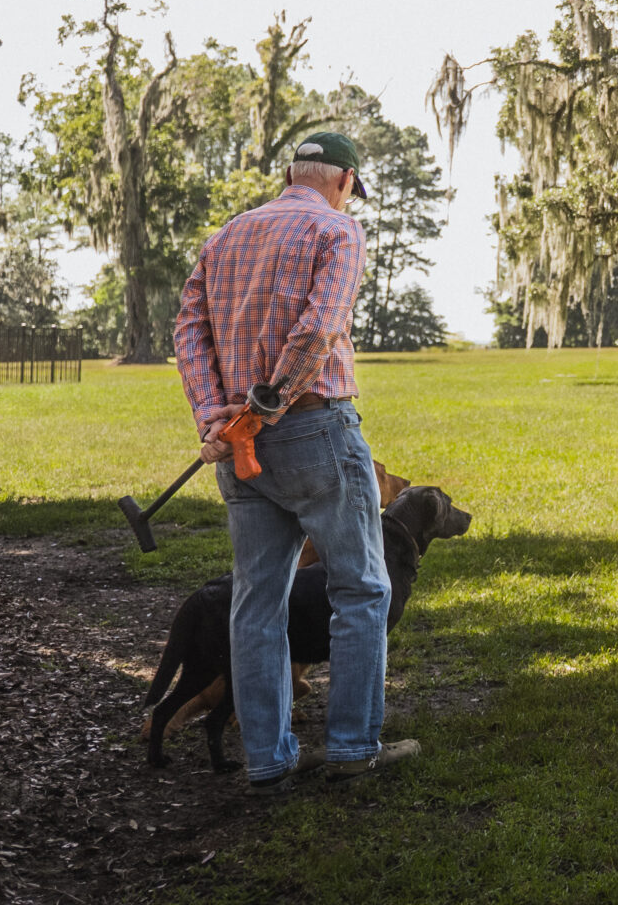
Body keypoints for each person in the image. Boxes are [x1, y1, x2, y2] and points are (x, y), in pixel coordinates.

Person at [172, 132, 417, 795]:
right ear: (343, 179)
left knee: (255, 602)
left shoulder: (225, 236)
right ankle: (351, 749)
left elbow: (187, 331)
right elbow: (319, 327)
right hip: (313, 428)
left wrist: (214, 417)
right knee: (362, 589)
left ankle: (269, 760)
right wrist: (273, 398)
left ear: (290, 173)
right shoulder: (338, 230)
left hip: (240, 443)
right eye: (351, 187)